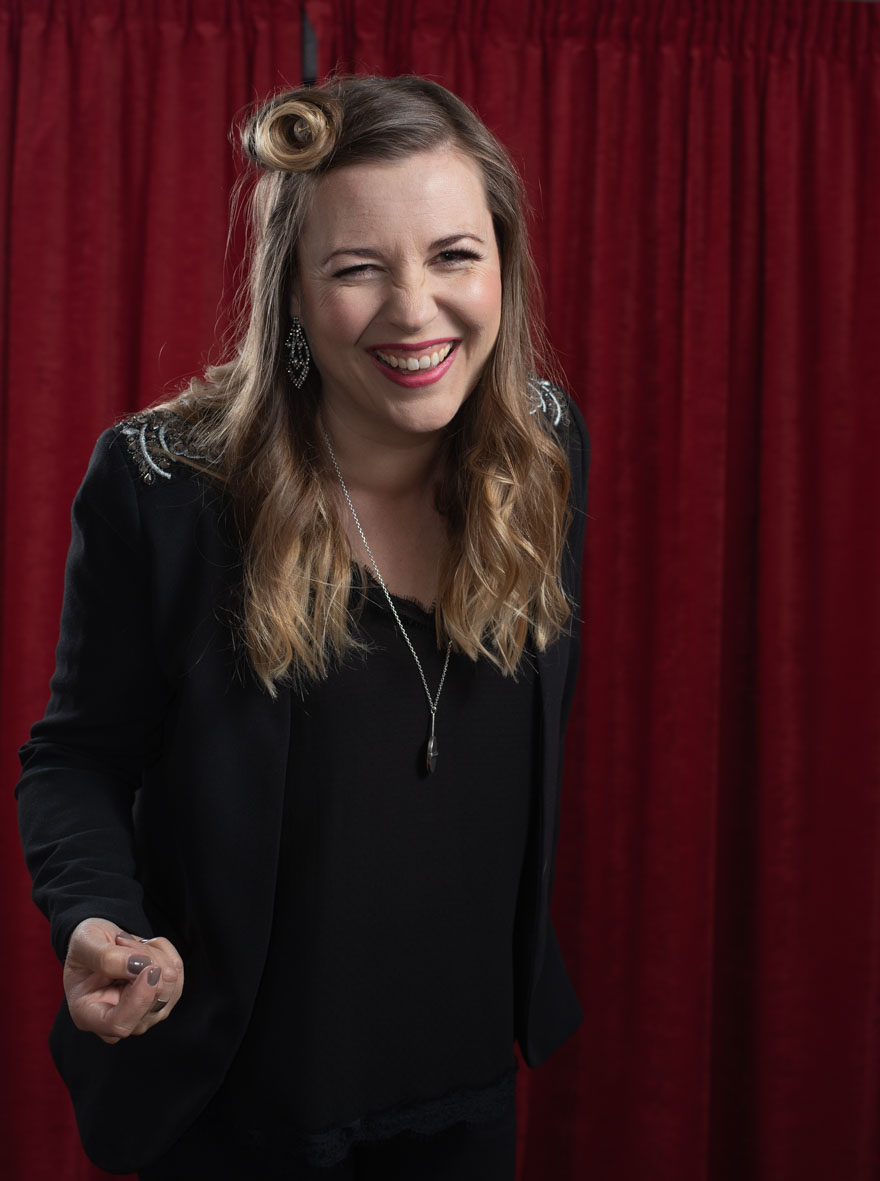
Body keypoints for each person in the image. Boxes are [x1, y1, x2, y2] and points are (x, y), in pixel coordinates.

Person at [16, 75, 590, 1179]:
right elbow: (77, 755)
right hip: (239, 1107)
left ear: (504, 269)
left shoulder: (545, 450)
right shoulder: (161, 487)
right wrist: (95, 917)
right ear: (290, 291)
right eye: (358, 268)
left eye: (454, 255)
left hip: (465, 1081)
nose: (415, 310)